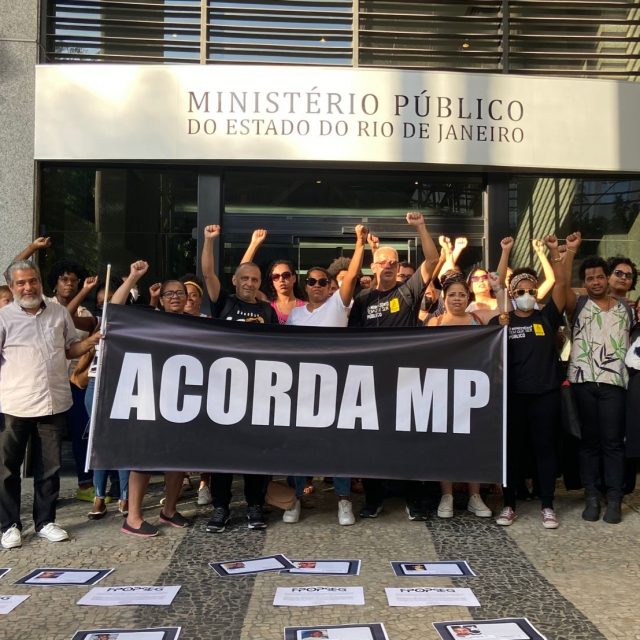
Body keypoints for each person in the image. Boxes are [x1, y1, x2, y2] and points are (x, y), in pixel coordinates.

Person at [0, 260, 100, 549]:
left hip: (53, 402)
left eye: (32, 280)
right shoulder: (4, 317)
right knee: (7, 469)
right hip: (13, 404)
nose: (28, 287)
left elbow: (70, 347)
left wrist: (92, 341)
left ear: (40, 281)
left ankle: (45, 522)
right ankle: (9, 526)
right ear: (13, 285)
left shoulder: (58, 313)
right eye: (21, 283)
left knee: (50, 468)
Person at [348, 211, 439, 520]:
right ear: (372, 266)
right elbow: (353, 339)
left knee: (408, 441)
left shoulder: (408, 290)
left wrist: (421, 227)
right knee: (371, 443)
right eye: (381, 262)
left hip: (406, 379)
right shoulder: (362, 299)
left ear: (400, 268)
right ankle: (373, 500)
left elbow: (432, 258)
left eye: (392, 263)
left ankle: (416, 500)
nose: (386, 266)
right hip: (372, 381)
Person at [283, 224, 368, 526]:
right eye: (312, 281)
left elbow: (354, 275)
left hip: (336, 388)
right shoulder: (294, 314)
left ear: (332, 286)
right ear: (304, 286)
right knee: (300, 446)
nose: (317, 285)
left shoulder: (338, 305)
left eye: (323, 281)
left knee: (338, 445)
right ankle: (296, 498)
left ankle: (344, 500)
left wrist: (359, 244)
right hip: (301, 390)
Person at [201, 224, 276, 533]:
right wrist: (208, 241)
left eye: (254, 279)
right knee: (223, 455)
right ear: (235, 281)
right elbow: (207, 274)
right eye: (244, 278)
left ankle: (255, 506)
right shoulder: (225, 302)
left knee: (255, 454)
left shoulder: (268, 310)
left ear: (260, 283)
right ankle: (221, 508)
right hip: (224, 392)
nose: (249, 283)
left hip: (257, 393)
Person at [490, 235, 566, 529]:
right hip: (514, 396)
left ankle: (547, 505)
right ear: (512, 292)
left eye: (531, 290)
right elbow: (497, 282)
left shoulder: (546, 316)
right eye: (520, 290)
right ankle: (509, 505)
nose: (526, 294)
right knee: (513, 451)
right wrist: (505, 250)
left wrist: (554, 253)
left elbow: (559, 285)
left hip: (545, 394)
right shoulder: (503, 320)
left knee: (545, 449)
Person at [564, 233, 632, 524]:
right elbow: (561, 285)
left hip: (615, 383)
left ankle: (614, 498)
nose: (596, 282)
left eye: (600, 277)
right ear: (585, 282)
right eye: (590, 278)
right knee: (589, 442)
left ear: (607, 279)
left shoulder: (626, 309)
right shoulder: (578, 305)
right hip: (582, 382)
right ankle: (591, 495)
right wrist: (570, 251)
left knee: (613, 442)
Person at [122, 276, 194, 537]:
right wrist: (133, 277)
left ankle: (169, 510)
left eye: (180, 293)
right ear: (161, 299)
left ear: (187, 298)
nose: (175, 297)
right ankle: (133, 517)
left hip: (182, 401)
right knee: (143, 458)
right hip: (150, 399)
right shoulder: (148, 320)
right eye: (169, 293)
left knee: (178, 458)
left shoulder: (196, 325)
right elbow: (115, 310)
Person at [426, 272, 495, 519]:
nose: (457, 299)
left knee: (473, 444)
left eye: (462, 294)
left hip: (472, 392)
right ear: (444, 298)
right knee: (445, 444)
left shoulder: (479, 319)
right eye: (452, 294)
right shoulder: (434, 323)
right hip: (441, 391)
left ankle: (474, 495)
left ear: (468, 298)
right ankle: (447, 495)